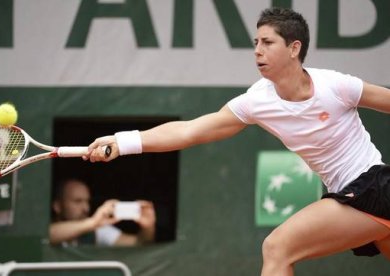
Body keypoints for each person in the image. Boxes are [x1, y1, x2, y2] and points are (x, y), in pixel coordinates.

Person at [83, 7, 390, 275]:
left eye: (268, 43)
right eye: (256, 43)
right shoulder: (257, 101)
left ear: (294, 48)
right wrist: (124, 142)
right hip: (352, 192)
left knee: (277, 248)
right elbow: (191, 130)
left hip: (373, 186)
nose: (257, 50)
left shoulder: (336, 86)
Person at [49, 178, 155, 247]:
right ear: (57, 206)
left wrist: (148, 227)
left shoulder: (96, 230)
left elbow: (138, 243)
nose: (86, 208)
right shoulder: (92, 224)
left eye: (87, 201)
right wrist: (93, 222)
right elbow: (47, 236)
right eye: (78, 201)